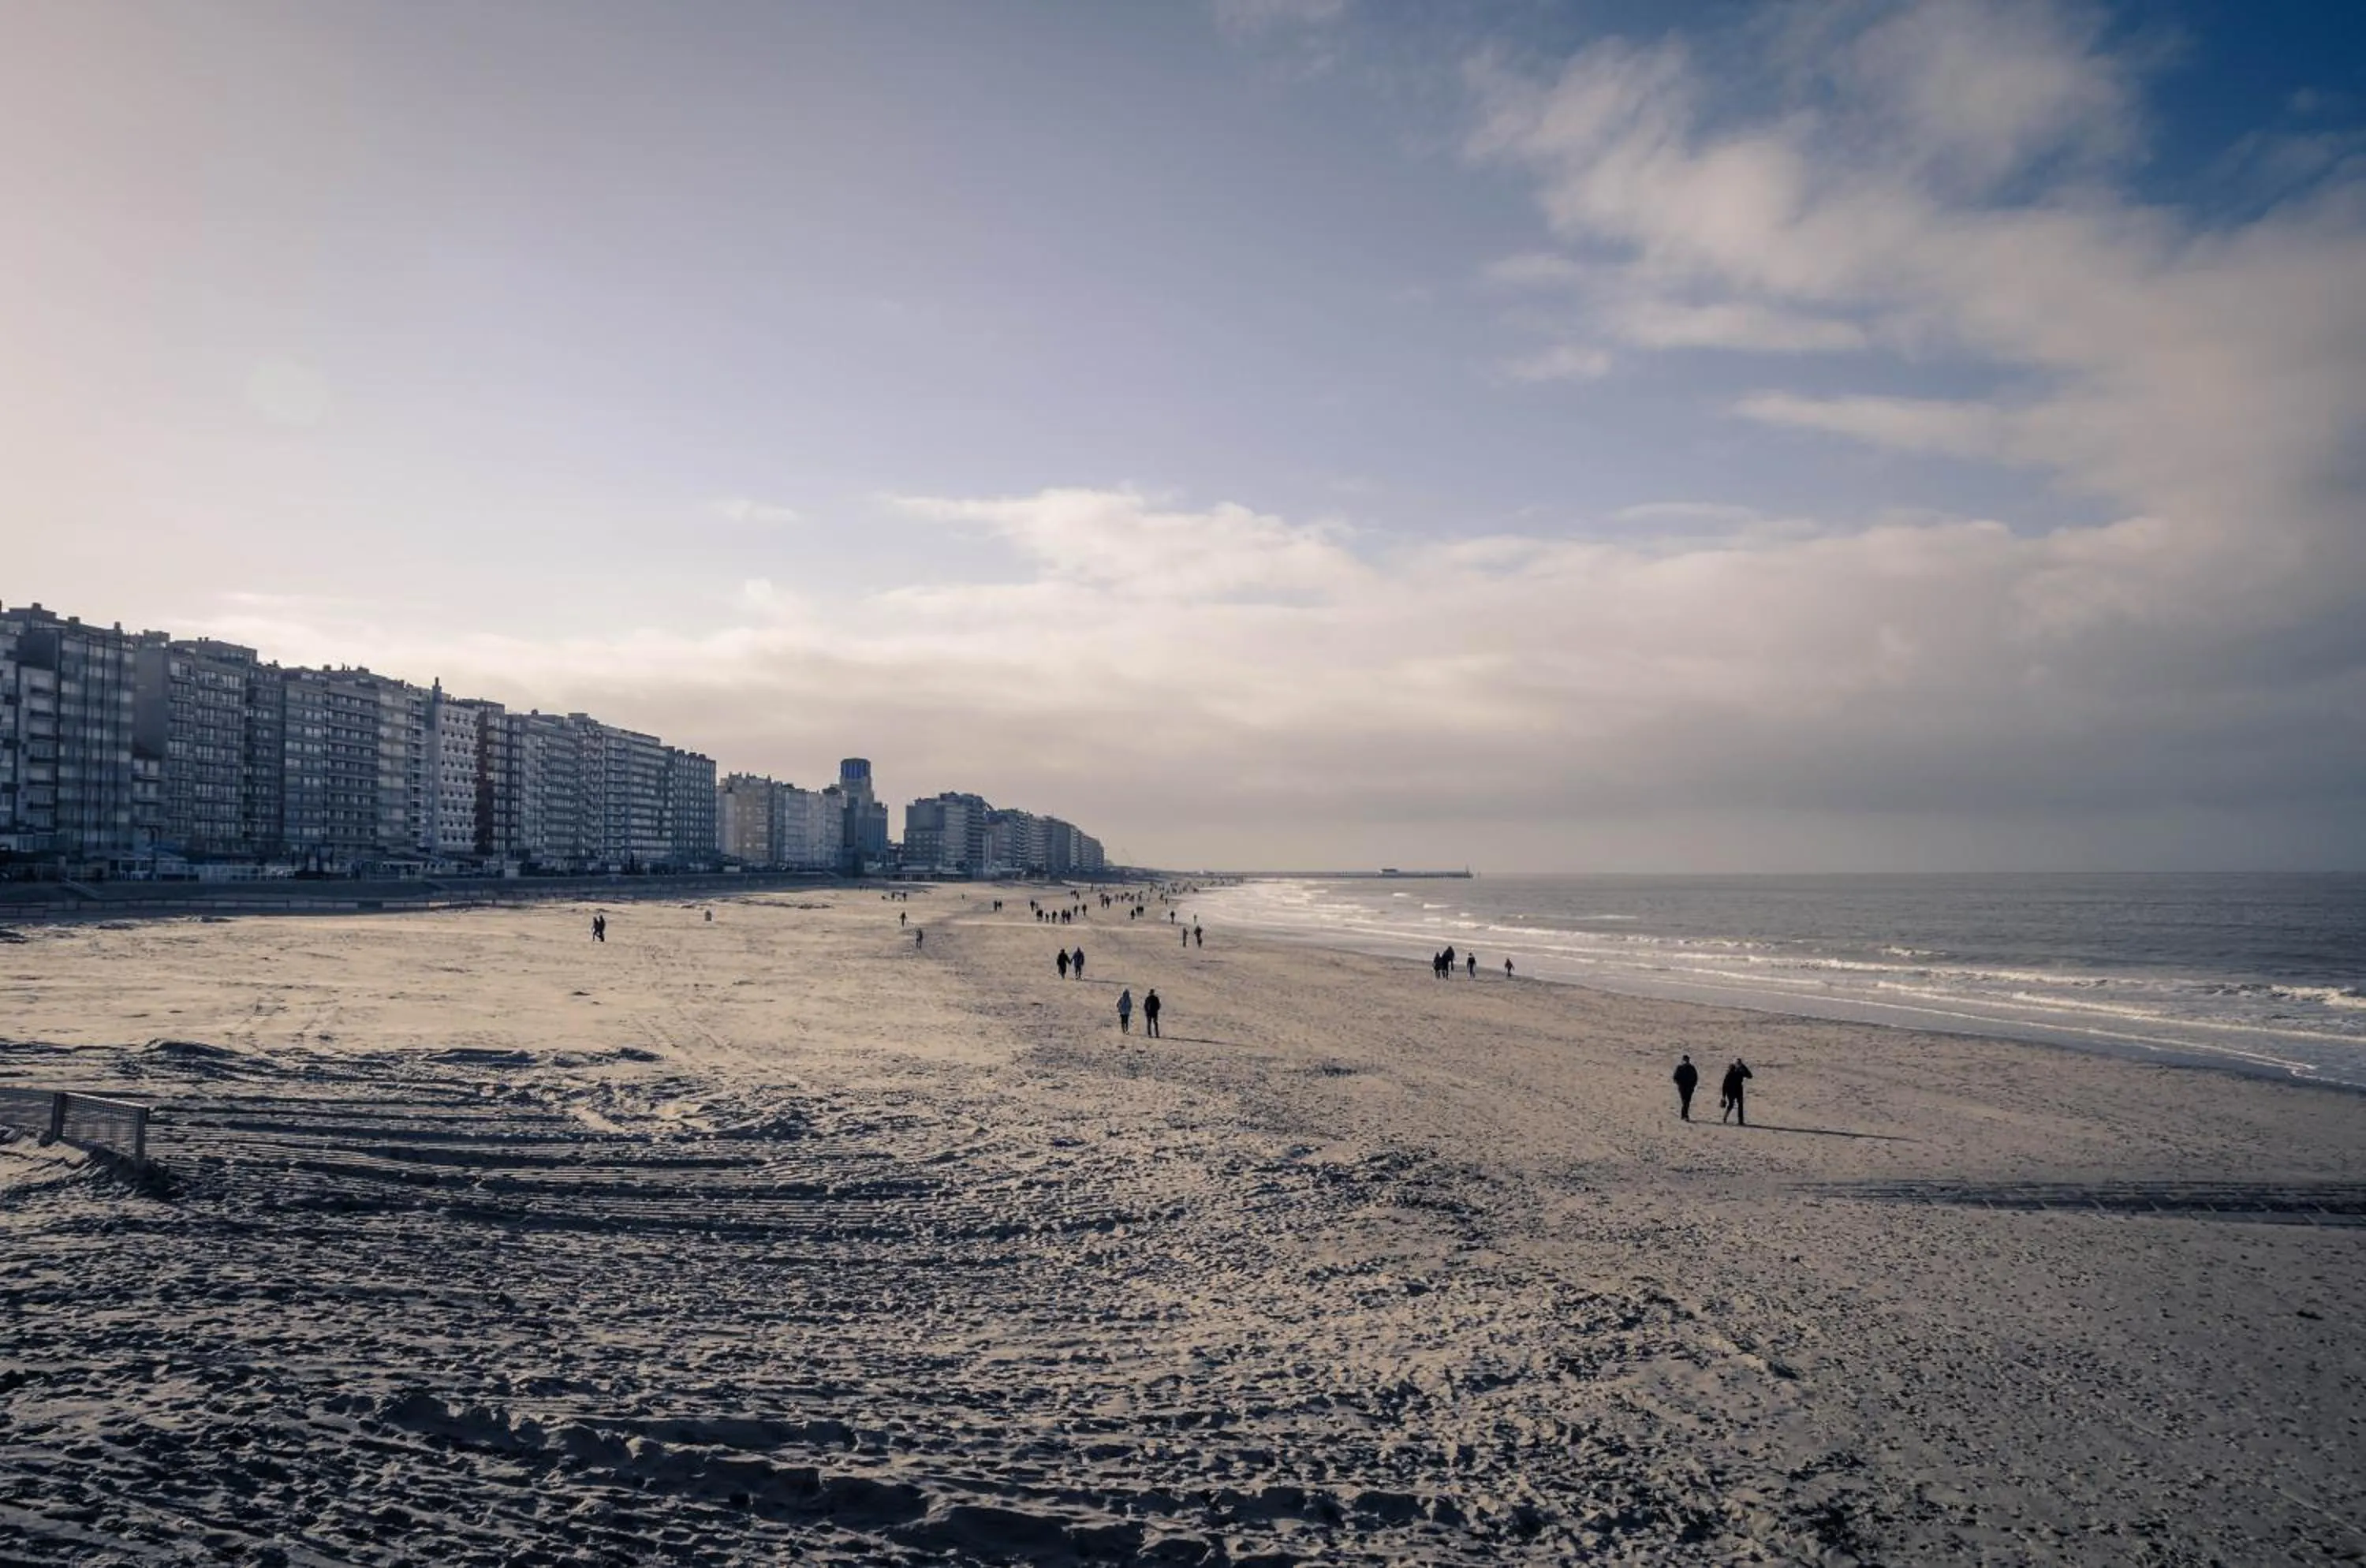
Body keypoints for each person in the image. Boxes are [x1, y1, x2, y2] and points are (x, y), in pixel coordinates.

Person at [1720, 1058, 1752, 1125]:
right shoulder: (1731, 1070)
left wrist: (1744, 1067)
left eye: (1740, 1063)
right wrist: (1723, 1096)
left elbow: (1750, 1076)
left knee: (1740, 1105)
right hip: (1730, 1090)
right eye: (1738, 1063)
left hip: (1739, 1090)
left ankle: (1740, 1121)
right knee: (1731, 1105)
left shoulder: (1741, 1070)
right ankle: (1725, 1118)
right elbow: (1725, 1084)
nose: (1739, 1065)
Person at [1673, 1055, 1700, 1121]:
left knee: (1687, 1102)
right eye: (1685, 1060)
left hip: (1689, 1088)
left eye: (1687, 1060)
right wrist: (1679, 1084)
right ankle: (1685, 1115)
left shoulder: (1691, 1068)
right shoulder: (1680, 1068)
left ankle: (1684, 1115)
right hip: (1682, 1087)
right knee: (1685, 1101)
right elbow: (1675, 1077)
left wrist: (1693, 1085)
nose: (1686, 1061)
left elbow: (1695, 1078)